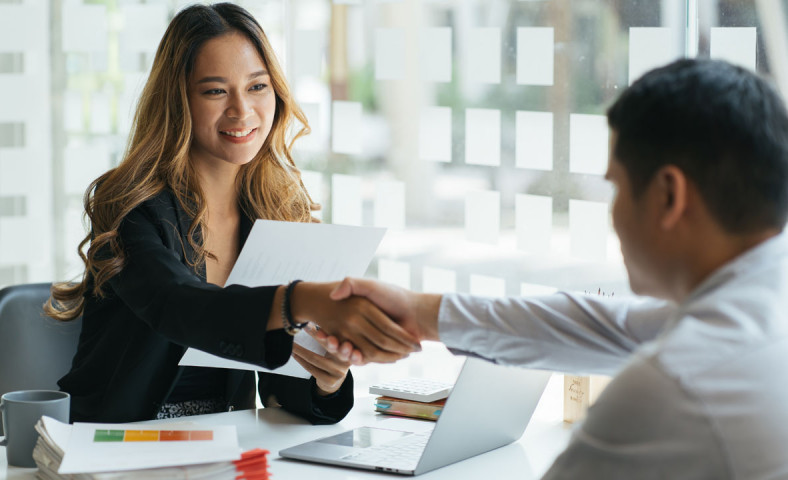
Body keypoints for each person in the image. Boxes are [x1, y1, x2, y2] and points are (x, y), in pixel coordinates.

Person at [322, 59, 788, 478]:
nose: (614, 214)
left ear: (669, 195)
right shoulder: (759, 310)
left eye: (617, 188)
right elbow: (609, 327)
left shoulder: (672, 389)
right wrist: (418, 312)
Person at [44, 3, 418, 424]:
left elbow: (279, 387)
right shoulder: (130, 207)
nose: (242, 111)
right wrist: (299, 299)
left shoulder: (276, 211)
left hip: (227, 448)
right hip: (116, 445)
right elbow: (179, 305)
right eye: (215, 91)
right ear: (179, 102)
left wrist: (326, 380)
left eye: (257, 87)